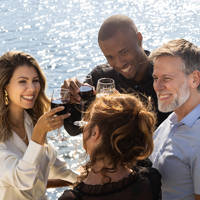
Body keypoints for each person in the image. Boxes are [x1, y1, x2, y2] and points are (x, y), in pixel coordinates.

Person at [63, 14, 170, 136]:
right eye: (110, 57)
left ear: (139, 39)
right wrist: (70, 101)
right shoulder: (100, 79)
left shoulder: (166, 77)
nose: (119, 63)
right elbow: (74, 129)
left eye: (124, 52)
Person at [0, 51, 77, 200]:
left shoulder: (31, 120)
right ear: (5, 86)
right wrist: (38, 135)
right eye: (23, 81)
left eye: (35, 80)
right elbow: (23, 180)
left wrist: (85, 181)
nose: (33, 88)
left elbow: (54, 166)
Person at [58, 93, 162, 200]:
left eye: (87, 121)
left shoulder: (72, 198)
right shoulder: (151, 181)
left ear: (95, 133)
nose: (83, 126)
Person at [149, 39, 200, 200]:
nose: (157, 86)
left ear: (194, 79)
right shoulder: (173, 118)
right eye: (156, 78)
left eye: (167, 78)